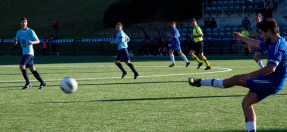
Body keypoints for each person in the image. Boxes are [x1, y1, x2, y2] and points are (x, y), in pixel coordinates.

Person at [189, 18, 287, 132]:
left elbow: (271, 68)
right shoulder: (273, 41)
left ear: (269, 31)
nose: (260, 36)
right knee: (246, 103)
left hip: (272, 82)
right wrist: (241, 37)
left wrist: (250, 75)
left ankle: (200, 82)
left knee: (237, 79)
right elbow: (257, 44)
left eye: (261, 33)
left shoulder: (278, 46)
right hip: (271, 80)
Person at [13, 17, 46, 89]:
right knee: (32, 68)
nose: (24, 23)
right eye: (22, 21)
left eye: (25, 21)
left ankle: (28, 83)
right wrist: (14, 40)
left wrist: (32, 42)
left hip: (29, 52)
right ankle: (42, 82)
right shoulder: (18, 32)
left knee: (21, 66)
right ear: (20, 23)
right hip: (24, 53)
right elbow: (15, 43)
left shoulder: (30, 31)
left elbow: (38, 41)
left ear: (27, 23)